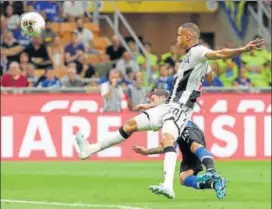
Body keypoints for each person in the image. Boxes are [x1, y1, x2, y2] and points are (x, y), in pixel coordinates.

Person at [75, 22, 264, 199]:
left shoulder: (198, 51)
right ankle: (89, 149)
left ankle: (168, 185)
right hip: (168, 106)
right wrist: (151, 105)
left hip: (180, 110)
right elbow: (208, 78)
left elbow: (220, 54)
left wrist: (243, 50)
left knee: (167, 139)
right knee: (130, 125)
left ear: (189, 37)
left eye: (179, 36)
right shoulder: (194, 57)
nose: (177, 40)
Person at [132, 89, 226, 199]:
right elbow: (165, 147)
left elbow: (164, 104)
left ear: (163, 97)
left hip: (187, 127)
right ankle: (216, 184)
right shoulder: (164, 120)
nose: (151, 102)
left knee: (194, 145)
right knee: (184, 178)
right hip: (182, 144)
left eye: (153, 99)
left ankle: (211, 171)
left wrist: (146, 106)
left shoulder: (172, 102)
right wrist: (147, 151)